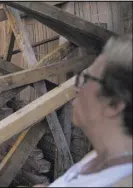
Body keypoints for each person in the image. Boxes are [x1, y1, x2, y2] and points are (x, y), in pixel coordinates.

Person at [35, 35, 132, 187]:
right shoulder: (96, 158)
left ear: (113, 104)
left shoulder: (122, 181)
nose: (76, 88)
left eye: (86, 79)